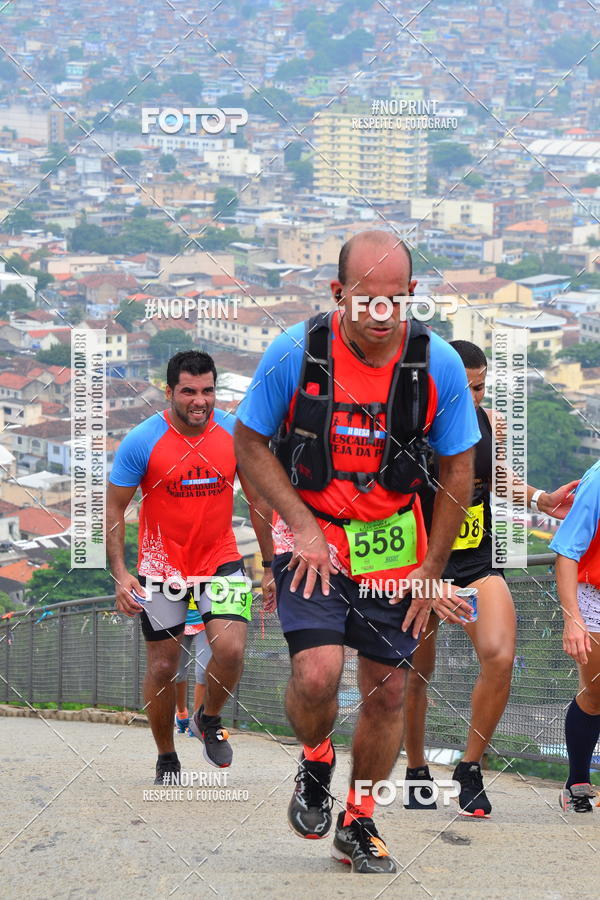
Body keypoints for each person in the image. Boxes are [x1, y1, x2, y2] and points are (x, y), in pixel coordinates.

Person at [234, 230, 481, 874]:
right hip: (310, 541)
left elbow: (459, 468)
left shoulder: (439, 365)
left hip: (395, 551)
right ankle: (316, 755)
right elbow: (249, 444)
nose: (381, 314)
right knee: (316, 675)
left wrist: (432, 569)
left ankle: (360, 818)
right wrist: (302, 527)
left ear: (411, 295)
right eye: (367, 299)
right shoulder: (296, 353)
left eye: (394, 299)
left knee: (390, 692)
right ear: (339, 294)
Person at [403, 340, 577, 817]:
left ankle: (469, 768)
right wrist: (425, 577)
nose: (474, 398)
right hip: (417, 567)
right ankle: (416, 770)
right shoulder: (407, 428)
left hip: (476, 561)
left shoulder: (486, 422)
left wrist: (540, 498)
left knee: (500, 657)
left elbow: (494, 479)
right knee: (416, 671)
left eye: (480, 387)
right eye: (465, 388)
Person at [107, 350, 274, 784]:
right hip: (162, 567)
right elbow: (113, 510)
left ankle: (208, 717)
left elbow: (258, 501)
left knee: (232, 650)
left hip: (219, 558)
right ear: (169, 392)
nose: (200, 401)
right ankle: (166, 756)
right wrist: (121, 574)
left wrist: (271, 565)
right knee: (164, 668)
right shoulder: (143, 441)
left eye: (208, 391)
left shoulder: (234, 432)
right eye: (189, 392)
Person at [550, 459, 600, 812]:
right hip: (594, 595)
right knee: (596, 692)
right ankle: (577, 781)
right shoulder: (598, 479)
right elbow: (567, 552)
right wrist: (573, 620)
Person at [174, 596, 212, 734]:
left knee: (202, 672)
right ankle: (181, 713)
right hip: (178, 621)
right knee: (178, 674)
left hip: (205, 621)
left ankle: (196, 721)